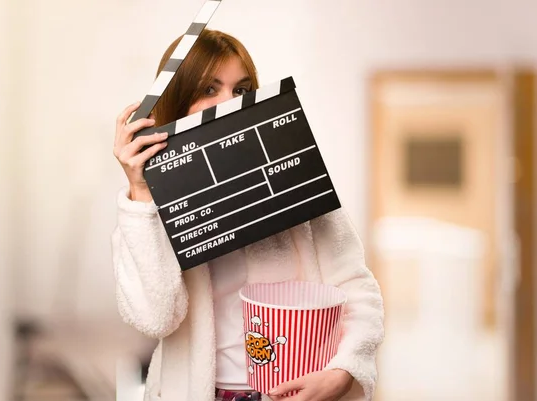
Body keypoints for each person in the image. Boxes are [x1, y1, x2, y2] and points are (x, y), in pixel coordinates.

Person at [112, 29, 384, 401]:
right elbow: (155, 317)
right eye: (209, 89)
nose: (228, 102)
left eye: (240, 90)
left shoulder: (293, 178)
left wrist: (344, 370)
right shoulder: (147, 209)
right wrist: (141, 194)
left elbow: (357, 288)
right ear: (177, 101)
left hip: (295, 393)